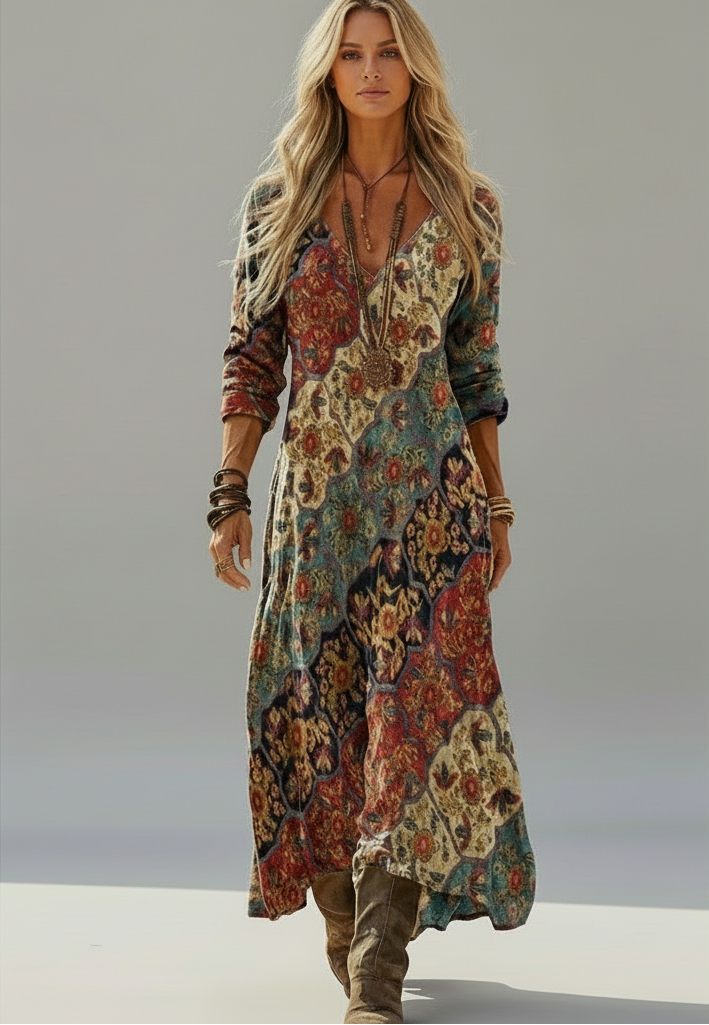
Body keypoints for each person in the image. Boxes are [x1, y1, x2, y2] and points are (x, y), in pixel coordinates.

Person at [208, 2, 536, 1021]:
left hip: (430, 511)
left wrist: (496, 502)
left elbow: (476, 371)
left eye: (388, 51)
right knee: (319, 725)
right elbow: (252, 359)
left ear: (415, 67)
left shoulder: (469, 206)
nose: (371, 69)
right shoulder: (278, 202)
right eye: (351, 54)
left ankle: (378, 973)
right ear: (328, 73)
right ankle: (348, 926)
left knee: (412, 724)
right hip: (317, 515)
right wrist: (229, 489)